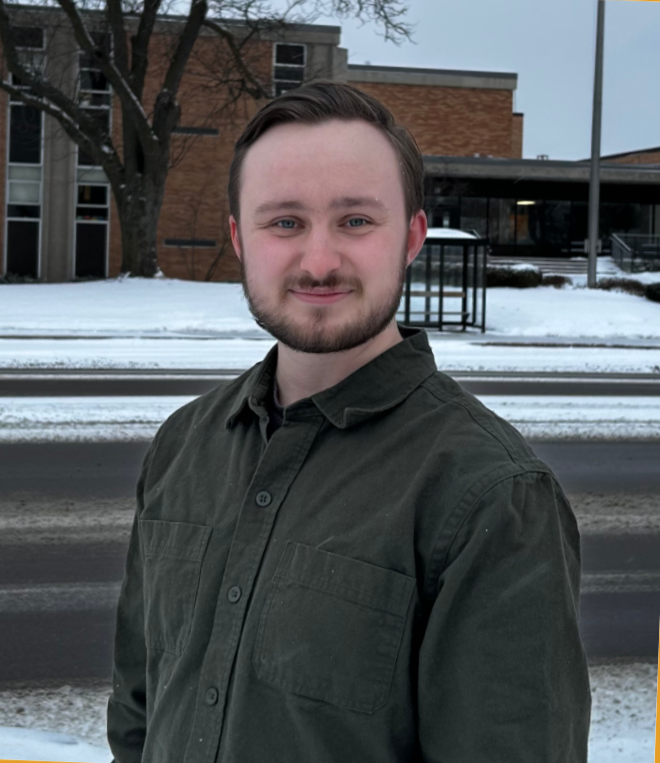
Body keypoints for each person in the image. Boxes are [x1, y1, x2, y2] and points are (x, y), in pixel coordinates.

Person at [107, 81, 591, 762]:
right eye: (285, 223)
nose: (319, 261)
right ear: (240, 239)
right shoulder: (183, 445)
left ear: (411, 238)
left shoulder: (491, 495)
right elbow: (138, 710)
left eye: (356, 221)